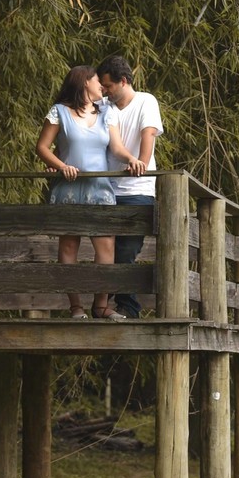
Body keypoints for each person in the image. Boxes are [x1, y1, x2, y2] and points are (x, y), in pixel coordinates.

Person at [36, 65, 145, 321]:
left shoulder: (107, 112)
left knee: (106, 247)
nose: (102, 86)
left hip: (101, 189)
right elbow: (42, 147)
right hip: (68, 189)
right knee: (69, 246)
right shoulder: (59, 111)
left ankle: (101, 306)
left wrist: (132, 159)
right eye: (98, 81)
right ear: (85, 82)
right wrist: (61, 166)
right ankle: (75, 307)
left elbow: (116, 147)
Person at [96, 55, 164, 319]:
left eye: (108, 86)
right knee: (104, 249)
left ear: (123, 82)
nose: (104, 91)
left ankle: (128, 308)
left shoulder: (146, 101)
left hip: (138, 189)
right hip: (105, 188)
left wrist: (141, 164)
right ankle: (103, 306)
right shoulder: (103, 105)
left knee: (126, 251)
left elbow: (148, 134)